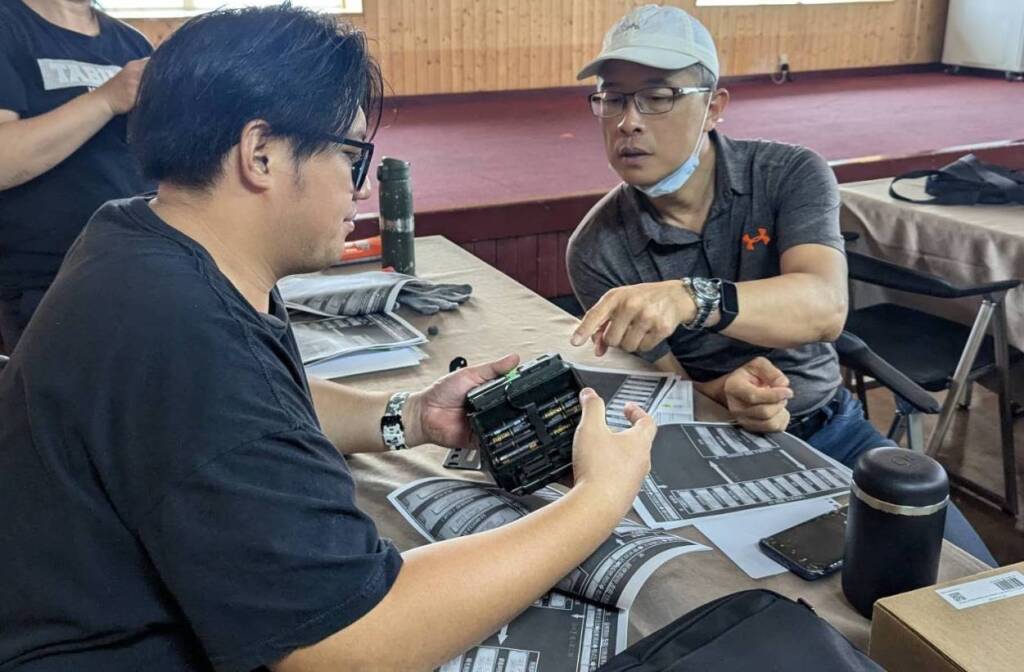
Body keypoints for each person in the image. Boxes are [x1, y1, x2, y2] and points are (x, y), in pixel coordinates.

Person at [0, 6, 657, 671]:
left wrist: (410, 415)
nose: (361, 187)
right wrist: (597, 500)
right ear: (260, 154)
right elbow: (346, 647)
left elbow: (258, 410)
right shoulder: (184, 334)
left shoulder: (141, 237)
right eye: (349, 155)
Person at [566, 4, 995, 565]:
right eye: (612, 98)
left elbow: (824, 307)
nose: (628, 121)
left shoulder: (788, 174)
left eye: (657, 96)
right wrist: (729, 395)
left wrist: (692, 297)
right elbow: (670, 396)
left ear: (714, 106)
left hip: (834, 431)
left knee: (969, 581)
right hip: (709, 448)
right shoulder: (598, 249)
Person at [0, 0, 153, 353]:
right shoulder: (8, 26)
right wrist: (106, 99)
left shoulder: (132, 43)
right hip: (47, 278)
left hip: (141, 263)